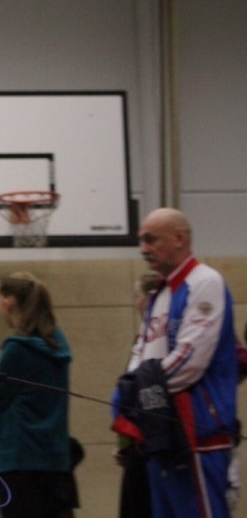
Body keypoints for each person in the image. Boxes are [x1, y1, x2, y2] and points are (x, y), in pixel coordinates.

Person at [112, 208, 238, 518]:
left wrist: (140, 390)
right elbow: (141, 353)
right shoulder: (160, 292)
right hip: (161, 433)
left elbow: (189, 361)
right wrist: (130, 391)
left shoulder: (205, 282)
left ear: (179, 238)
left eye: (151, 240)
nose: (144, 249)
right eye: (141, 241)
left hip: (197, 434)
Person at [0, 272, 77, 518]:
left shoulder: (16, 349)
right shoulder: (59, 345)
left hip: (18, 462)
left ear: (8, 302)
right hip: (56, 462)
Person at [113, 271, 162, 518]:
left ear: (149, 298)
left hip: (151, 444)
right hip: (135, 443)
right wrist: (123, 445)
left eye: (137, 295)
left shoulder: (160, 341)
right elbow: (123, 399)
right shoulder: (141, 340)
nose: (135, 302)